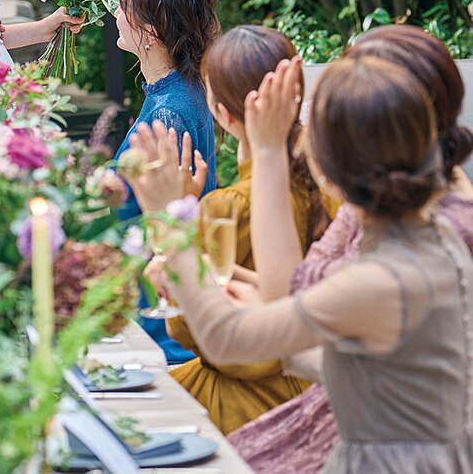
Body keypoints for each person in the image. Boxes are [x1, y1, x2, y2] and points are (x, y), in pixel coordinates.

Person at [141, 55, 473, 474]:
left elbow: (226, 337)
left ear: (333, 168)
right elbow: (348, 353)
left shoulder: (383, 277)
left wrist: (169, 221)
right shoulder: (430, 236)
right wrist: (228, 281)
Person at [228, 24, 473, 472]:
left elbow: (289, 298)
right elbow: (301, 290)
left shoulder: (450, 226)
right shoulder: (383, 197)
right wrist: (226, 279)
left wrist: (267, 152)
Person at [129, 25, 325, 433]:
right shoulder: (329, 192)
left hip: (242, 403)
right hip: (317, 390)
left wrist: (177, 223)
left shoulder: (226, 207)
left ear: (222, 113)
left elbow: (186, 328)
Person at [109, 0, 219, 364]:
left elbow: (161, 215)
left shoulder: (167, 114)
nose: (116, 14)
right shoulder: (183, 89)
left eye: (123, 7)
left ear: (151, 34)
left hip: (157, 321)